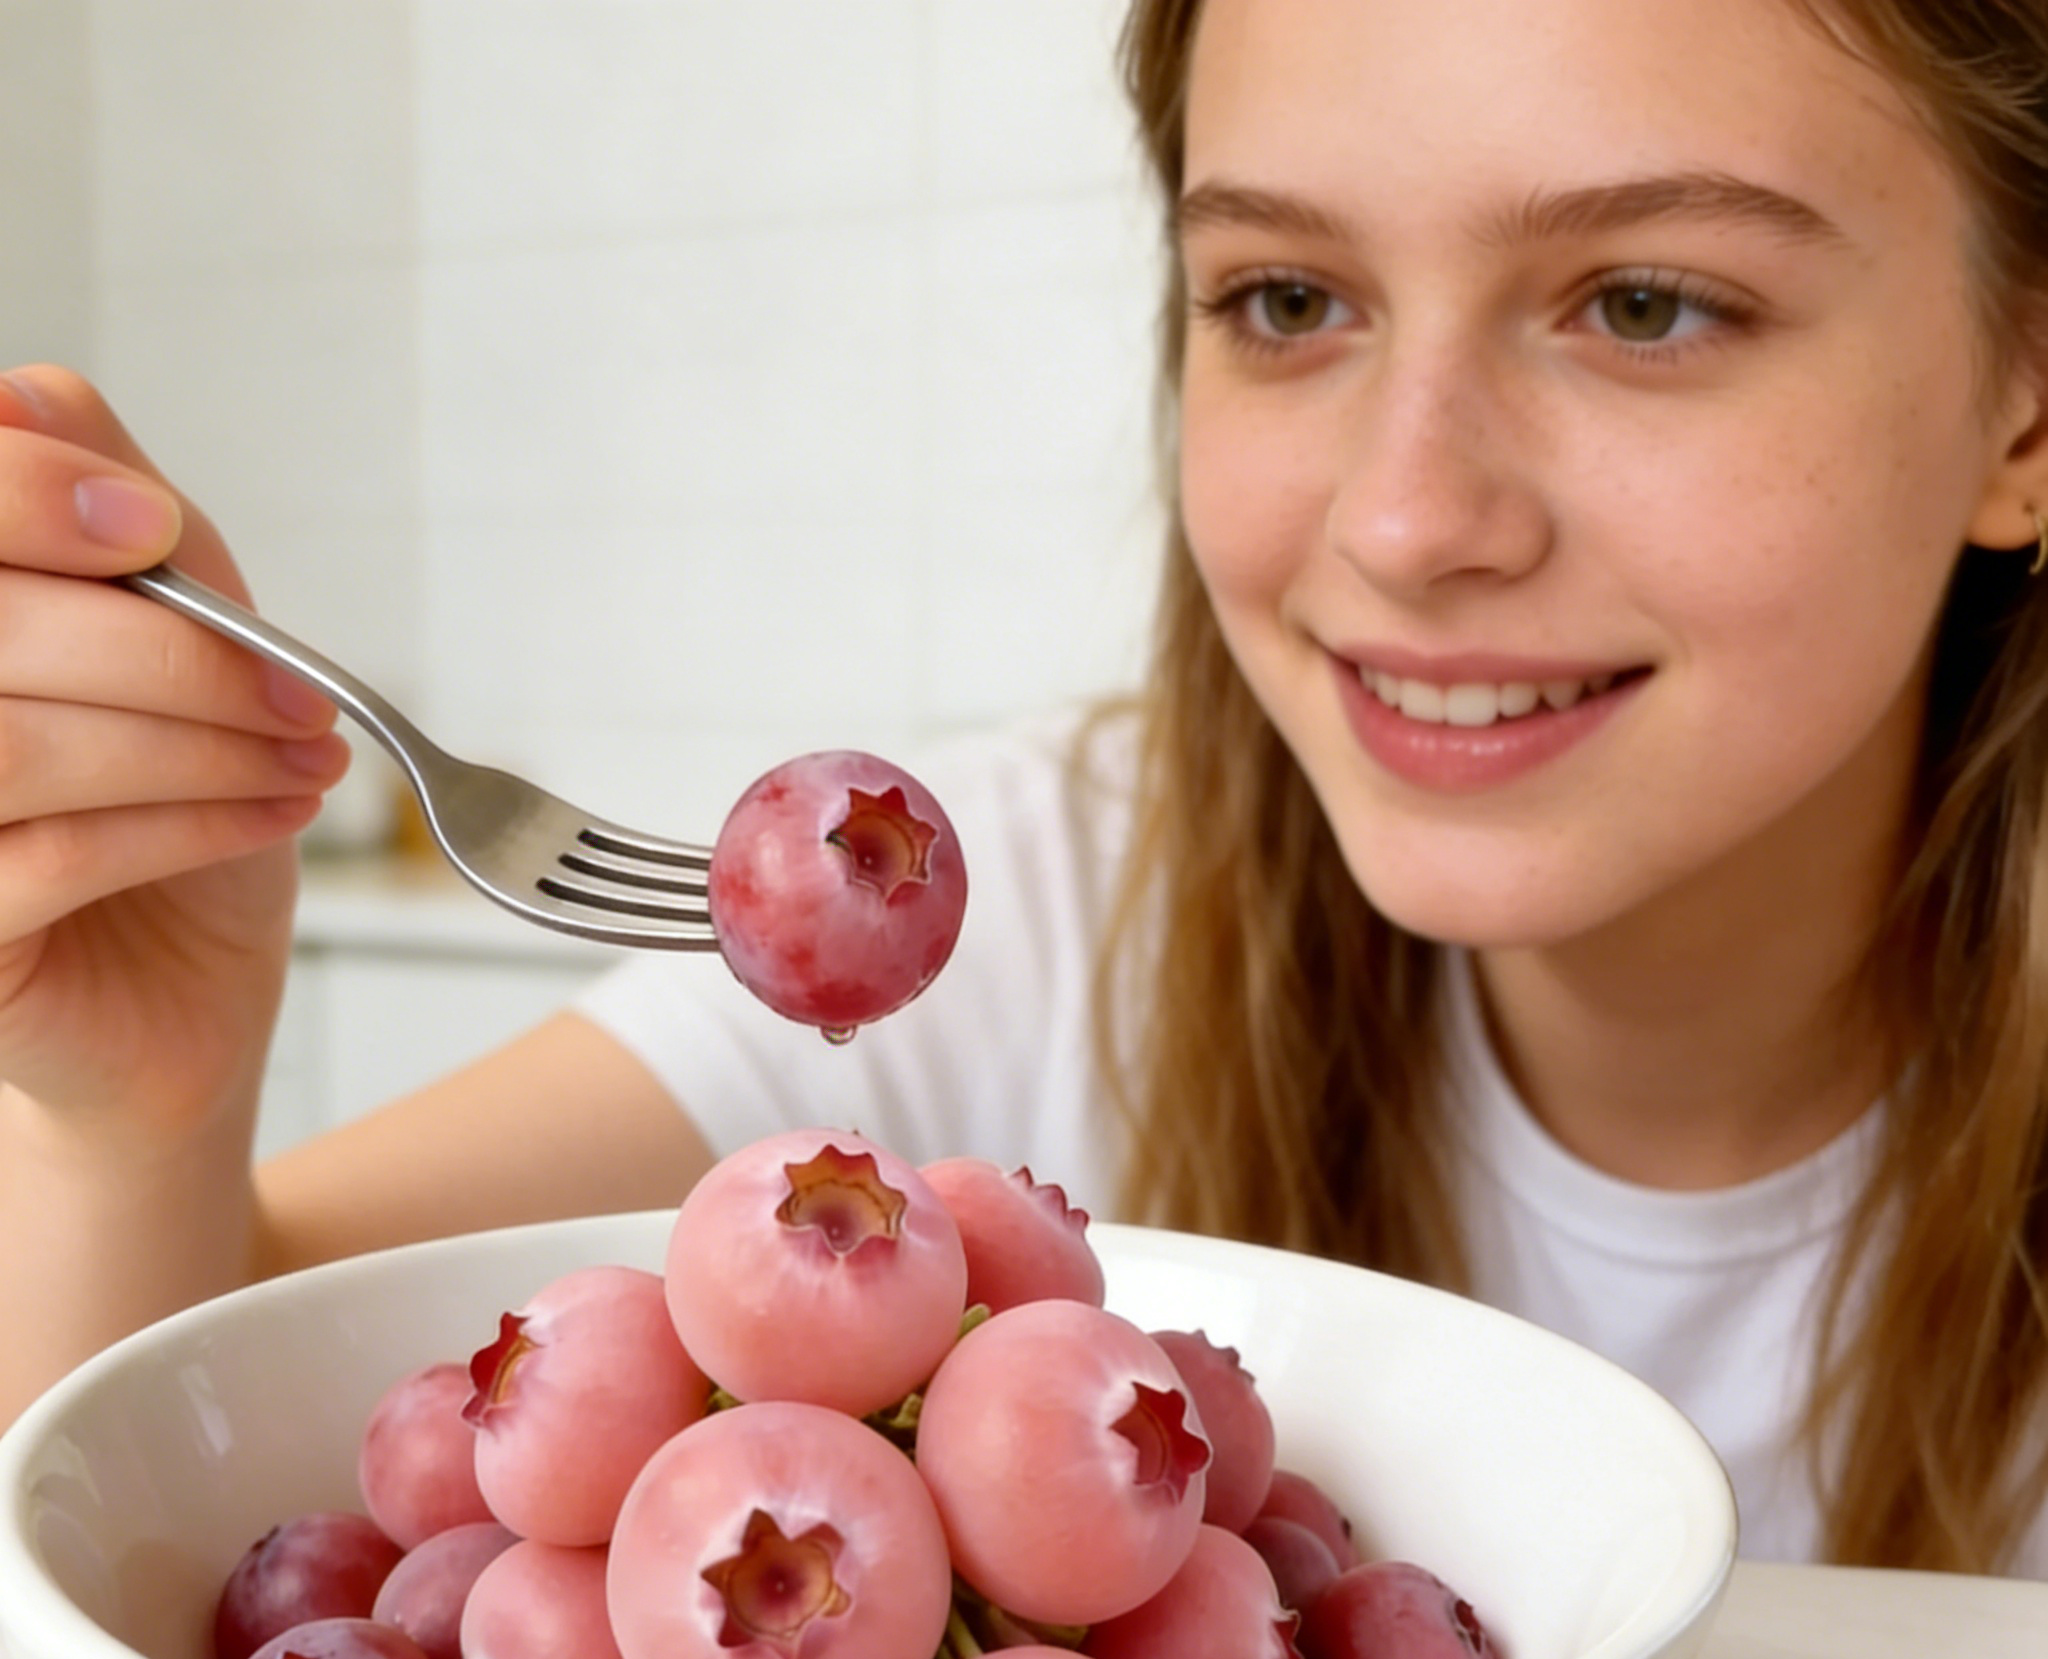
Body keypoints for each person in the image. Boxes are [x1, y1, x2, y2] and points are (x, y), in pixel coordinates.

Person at [2, 0, 2046, 1577]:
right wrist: (135, 1124)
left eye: (1644, 304)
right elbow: (204, 1449)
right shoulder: (1022, 920)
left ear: (2020, 396)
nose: (1409, 520)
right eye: (1287, 302)